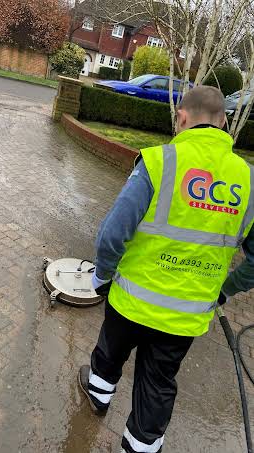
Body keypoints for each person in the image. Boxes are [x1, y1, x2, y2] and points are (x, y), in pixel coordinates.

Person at [78, 86, 254, 453]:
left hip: (130, 300)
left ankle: (97, 396)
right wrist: (224, 289)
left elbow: (113, 233)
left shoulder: (159, 161)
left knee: (109, 354)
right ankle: (140, 446)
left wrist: (102, 276)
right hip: (187, 314)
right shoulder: (250, 182)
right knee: (158, 381)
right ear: (224, 122)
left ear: (182, 118)